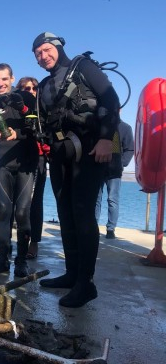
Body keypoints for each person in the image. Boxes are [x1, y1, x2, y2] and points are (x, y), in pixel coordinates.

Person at [32, 32, 120, 307]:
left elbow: (111, 100)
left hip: (90, 151)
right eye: (37, 54)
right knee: (65, 213)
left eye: (46, 50)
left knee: (83, 214)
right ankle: (72, 274)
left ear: (58, 47)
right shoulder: (45, 84)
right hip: (60, 155)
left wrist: (106, 138)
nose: (42, 56)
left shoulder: (83, 67)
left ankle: (86, 283)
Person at [0, 65, 38, 277]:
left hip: (26, 163)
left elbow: (38, 128)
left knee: (22, 212)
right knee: (4, 212)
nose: (0, 83)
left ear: (12, 79)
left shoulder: (26, 99)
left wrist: (19, 134)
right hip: (3, 164)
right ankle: (3, 259)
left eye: (4, 79)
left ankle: (21, 261)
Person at [16, 76, 46, 259]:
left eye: (34, 88)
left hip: (39, 158)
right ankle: (12, 242)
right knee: (17, 203)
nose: (31, 91)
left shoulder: (43, 109)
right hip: (19, 157)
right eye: (26, 88)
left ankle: (33, 242)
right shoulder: (15, 108)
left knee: (34, 202)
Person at [95, 116, 134, 239]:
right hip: (99, 167)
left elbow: (130, 149)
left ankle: (110, 229)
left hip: (115, 170)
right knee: (96, 199)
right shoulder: (99, 126)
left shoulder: (125, 128)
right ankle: (94, 226)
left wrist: (121, 163)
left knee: (112, 199)